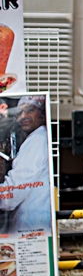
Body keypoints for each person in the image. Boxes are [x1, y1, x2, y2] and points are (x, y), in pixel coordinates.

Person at [0, 96, 51, 233]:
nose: (23, 116)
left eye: (29, 110)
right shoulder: (37, 138)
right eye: (19, 113)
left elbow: (13, 194)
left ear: (41, 113)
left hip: (31, 225)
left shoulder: (37, 141)